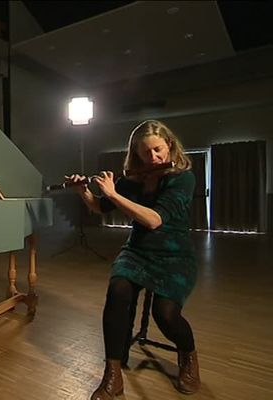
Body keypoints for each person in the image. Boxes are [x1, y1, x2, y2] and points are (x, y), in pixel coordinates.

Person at [66, 120, 200, 399]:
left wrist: (113, 192)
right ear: (136, 154)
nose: (153, 158)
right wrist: (83, 190)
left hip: (174, 255)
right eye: (145, 153)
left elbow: (153, 220)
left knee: (165, 315)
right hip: (138, 251)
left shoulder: (182, 177)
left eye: (158, 150)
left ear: (170, 146)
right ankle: (112, 375)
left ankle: (188, 355)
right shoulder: (133, 178)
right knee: (118, 291)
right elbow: (100, 207)